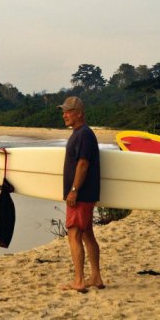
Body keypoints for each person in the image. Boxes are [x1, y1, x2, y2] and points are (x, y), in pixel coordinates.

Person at [58, 95, 104, 292]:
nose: (64, 115)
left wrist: (74, 191)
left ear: (79, 113)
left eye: (68, 111)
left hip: (81, 194)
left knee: (74, 234)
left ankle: (79, 281)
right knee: (87, 234)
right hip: (86, 194)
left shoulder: (84, 134)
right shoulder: (81, 133)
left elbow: (83, 164)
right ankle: (96, 277)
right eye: (63, 112)